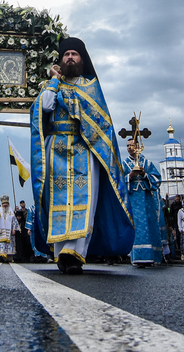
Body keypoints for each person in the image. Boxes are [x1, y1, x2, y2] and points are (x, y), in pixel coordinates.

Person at [30, 37, 133, 274]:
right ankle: (59, 252)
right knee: (55, 198)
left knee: (83, 200)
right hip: (55, 147)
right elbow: (44, 107)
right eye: (66, 55)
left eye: (74, 54)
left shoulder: (91, 87)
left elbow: (100, 123)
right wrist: (54, 81)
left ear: (82, 59)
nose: (69, 58)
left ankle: (76, 253)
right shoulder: (52, 85)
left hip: (83, 149)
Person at [123, 139, 163, 267]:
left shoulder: (147, 163)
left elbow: (157, 179)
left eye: (132, 145)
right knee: (137, 226)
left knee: (150, 225)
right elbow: (117, 181)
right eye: (127, 146)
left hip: (147, 200)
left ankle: (153, 256)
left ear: (138, 147)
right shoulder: (124, 164)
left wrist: (145, 174)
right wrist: (130, 176)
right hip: (133, 200)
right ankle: (138, 257)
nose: (129, 148)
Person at [0, 195, 19, 262]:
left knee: (10, 245)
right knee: (2, 245)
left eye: (6, 204)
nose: (5, 205)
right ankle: (2, 257)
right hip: (1, 232)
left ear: (8, 204)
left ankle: (9, 258)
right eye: (4, 204)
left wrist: (14, 229)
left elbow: (14, 221)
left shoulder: (11, 212)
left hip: (9, 233)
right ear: (2, 204)